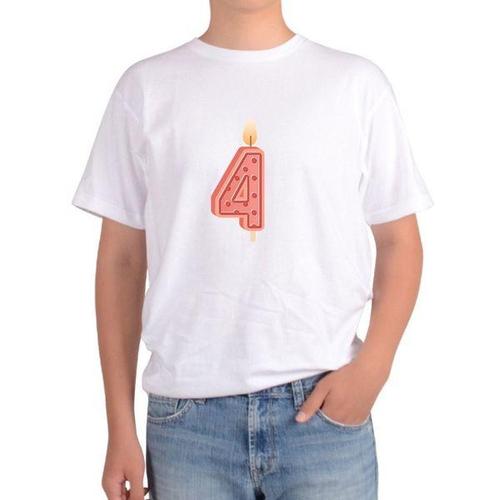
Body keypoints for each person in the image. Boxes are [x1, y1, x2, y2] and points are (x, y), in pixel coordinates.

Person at [72, 0, 433, 498]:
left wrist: (374, 367)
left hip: (323, 410)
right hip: (188, 421)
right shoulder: (146, 88)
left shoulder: (355, 85)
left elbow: (399, 240)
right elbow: (122, 261)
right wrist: (119, 425)